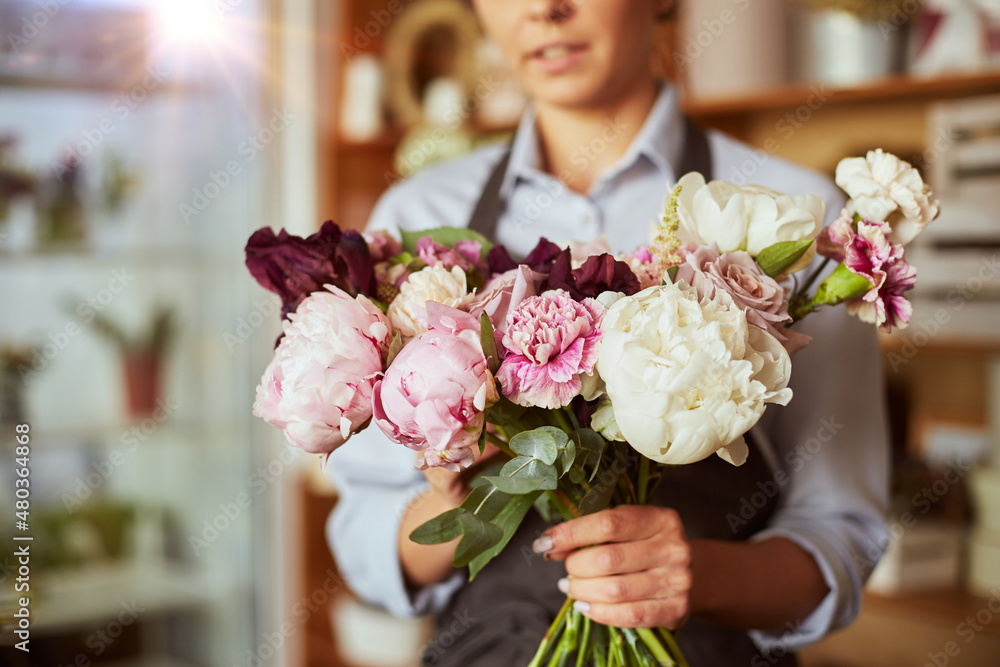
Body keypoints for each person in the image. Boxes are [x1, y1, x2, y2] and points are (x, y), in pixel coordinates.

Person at [326, 1, 890, 664]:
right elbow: (368, 538)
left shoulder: (789, 222)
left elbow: (840, 532)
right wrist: (465, 501)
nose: (545, 9)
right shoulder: (417, 218)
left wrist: (702, 577)